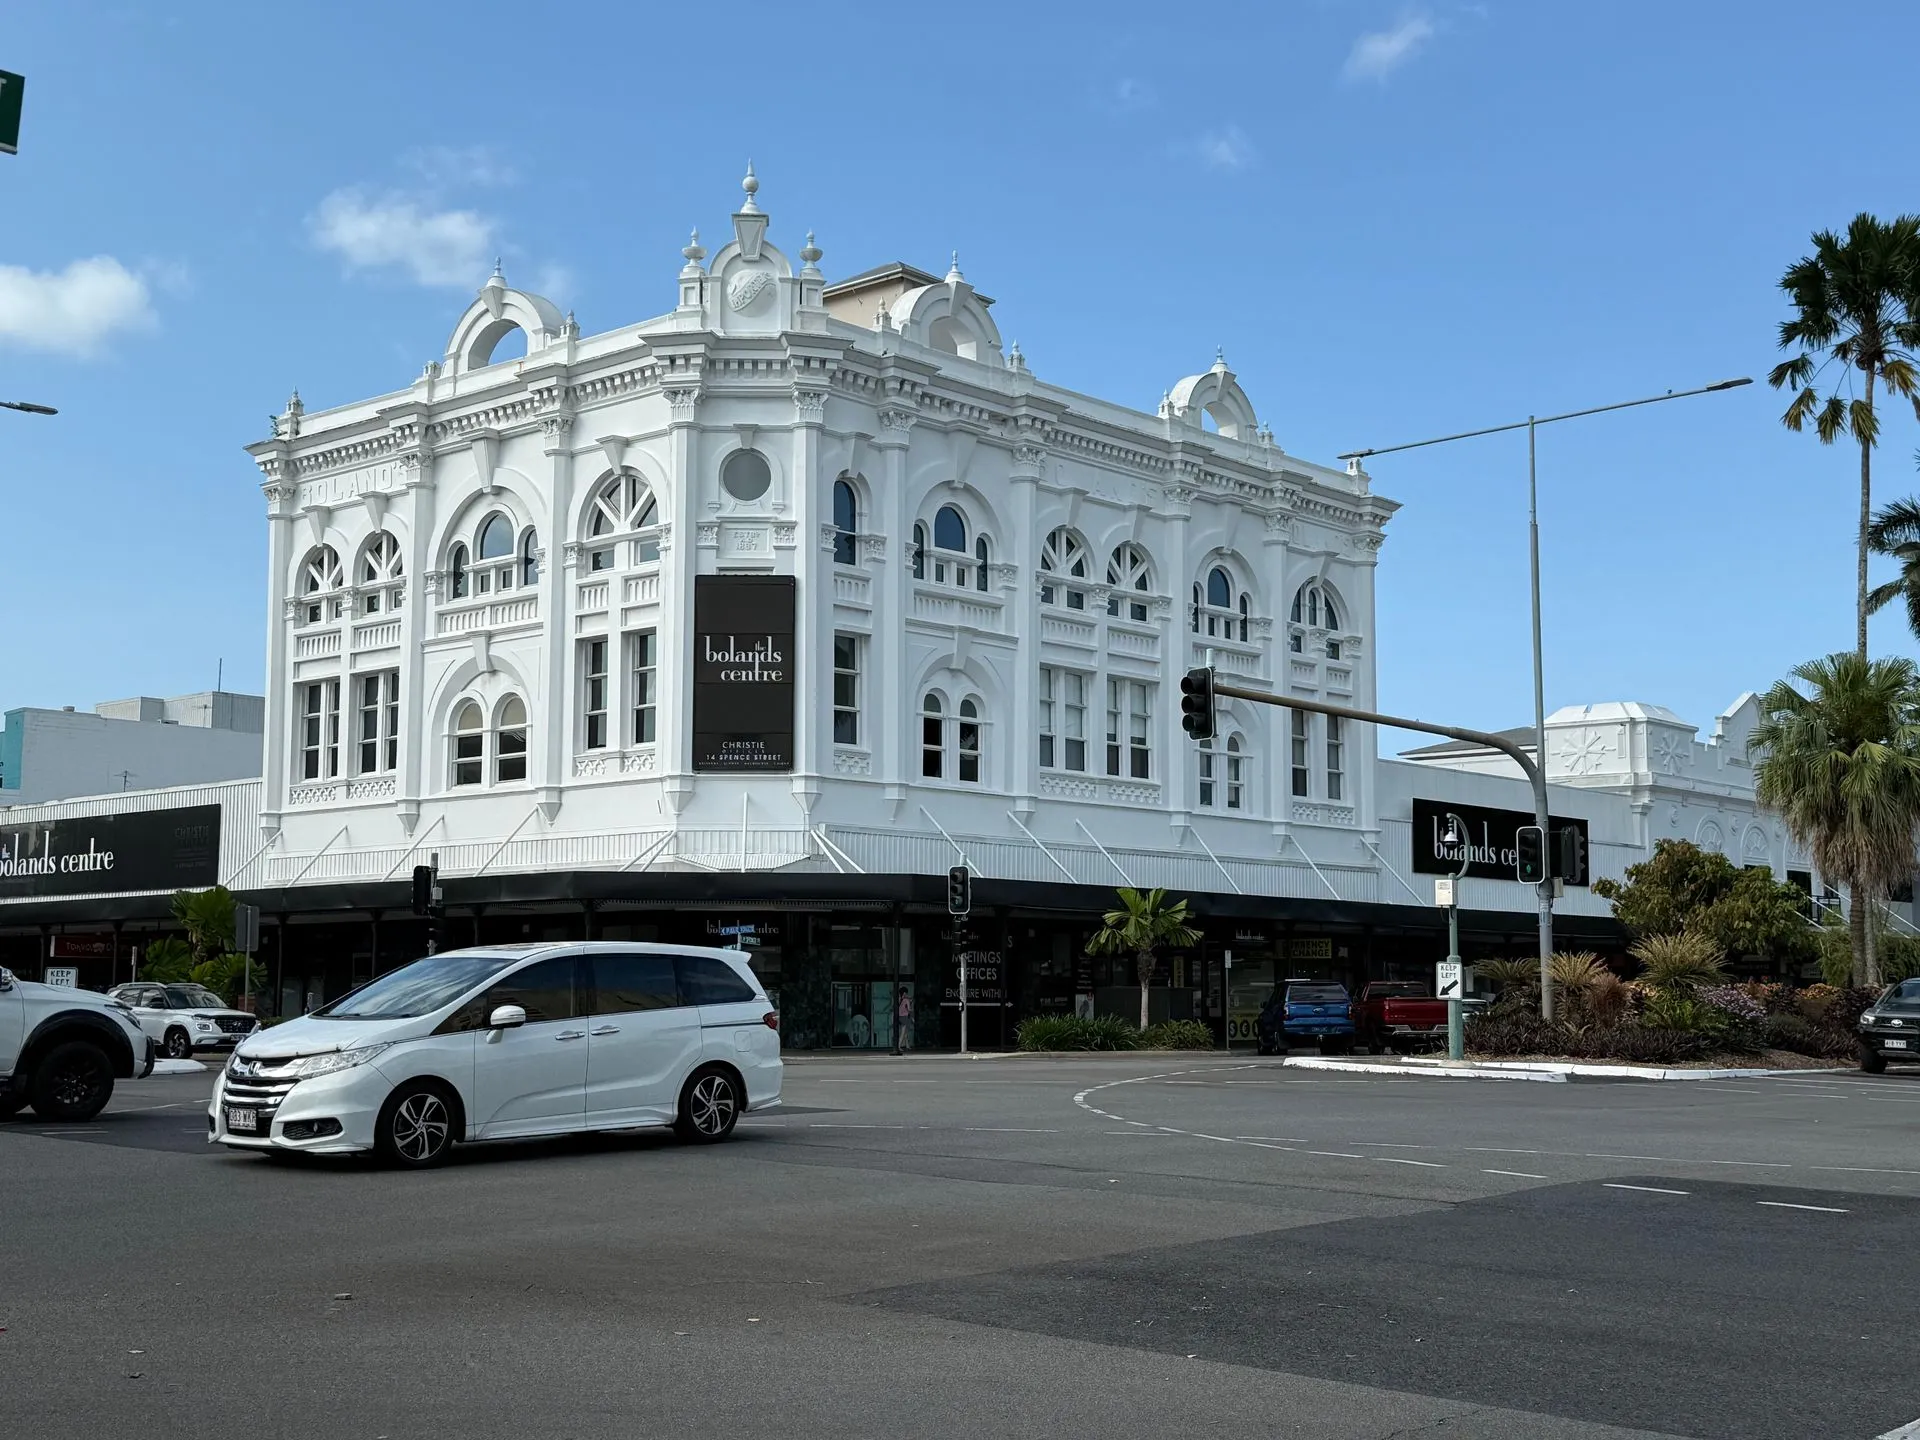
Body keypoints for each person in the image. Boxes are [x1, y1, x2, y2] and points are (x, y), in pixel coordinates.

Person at [895, 985, 913, 1052]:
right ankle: (898, 1046)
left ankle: (907, 1045)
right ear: (905, 993)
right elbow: (909, 1009)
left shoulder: (899, 999)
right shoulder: (906, 1000)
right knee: (903, 1032)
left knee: (905, 1032)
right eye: (906, 993)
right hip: (904, 1017)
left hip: (898, 1017)